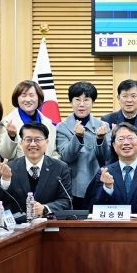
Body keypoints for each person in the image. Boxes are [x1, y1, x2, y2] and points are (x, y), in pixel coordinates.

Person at [0, 122, 72, 217]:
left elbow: (67, 201)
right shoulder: (10, 167)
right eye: (28, 140)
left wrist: (45, 208)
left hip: (49, 223)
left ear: (47, 142)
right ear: (21, 143)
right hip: (19, 224)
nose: (33, 144)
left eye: (38, 140)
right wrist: (5, 180)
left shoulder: (60, 167)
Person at [56, 81, 111, 209]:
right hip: (73, 186)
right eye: (77, 100)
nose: (81, 104)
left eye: (86, 100)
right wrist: (78, 137)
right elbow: (66, 157)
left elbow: (107, 157)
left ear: (93, 102)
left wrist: (100, 139)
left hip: (98, 183)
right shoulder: (62, 127)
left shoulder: (103, 126)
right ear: (71, 102)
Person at [100, 79, 137, 165]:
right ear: (118, 98)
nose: (129, 100)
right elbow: (106, 153)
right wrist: (113, 138)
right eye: (125, 96)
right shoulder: (107, 120)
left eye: (133, 96)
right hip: (115, 168)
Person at [0, 80, 58, 159]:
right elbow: (5, 155)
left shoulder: (49, 123)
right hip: (19, 167)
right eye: (23, 95)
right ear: (17, 99)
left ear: (38, 97)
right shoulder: (7, 122)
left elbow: (54, 153)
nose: (28, 99)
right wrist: (11, 136)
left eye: (31, 95)